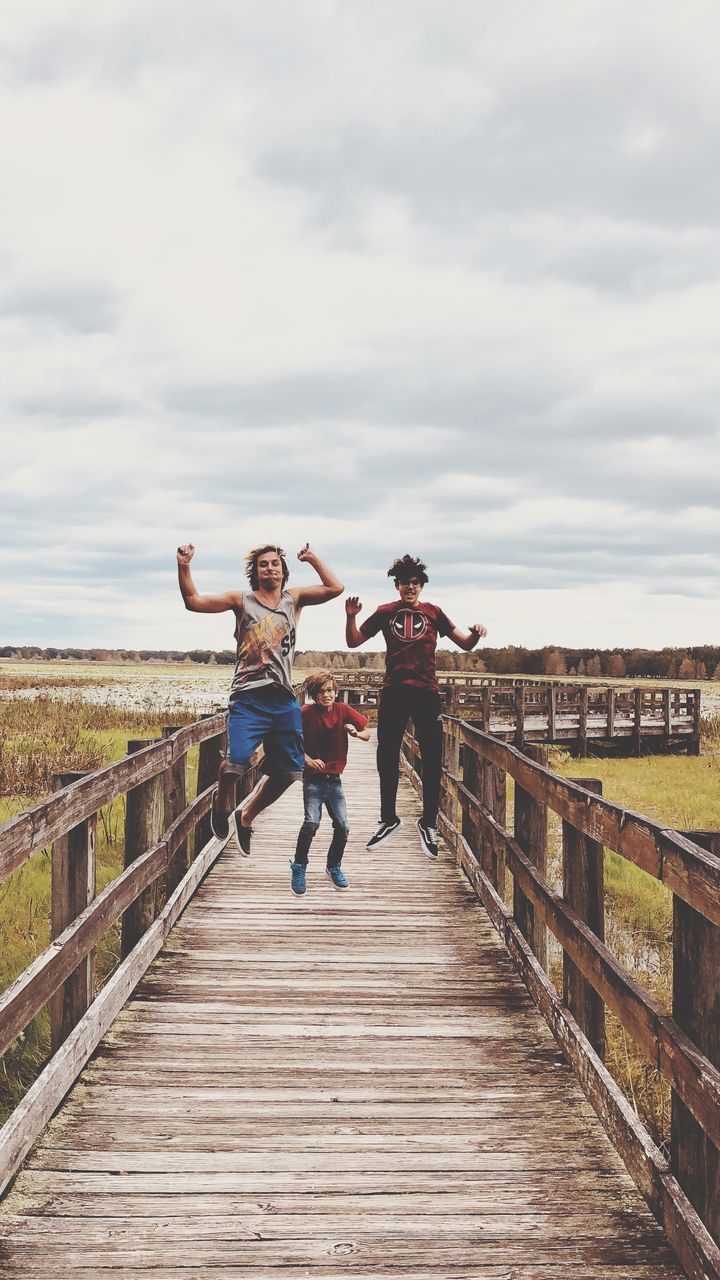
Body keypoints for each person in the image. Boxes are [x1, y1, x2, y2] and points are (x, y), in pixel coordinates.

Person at [177, 541, 343, 852]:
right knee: (235, 762)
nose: (270, 568)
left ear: (283, 570)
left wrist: (312, 558)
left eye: (275, 563)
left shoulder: (294, 601)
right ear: (255, 571)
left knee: (290, 771)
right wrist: (184, 565)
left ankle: (247, 814)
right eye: (264, 564)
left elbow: (335, 587)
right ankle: (223, 795)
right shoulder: (241, 601)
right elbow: (193, 601)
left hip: (282, 699)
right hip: (248, 697)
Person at [345, 554, 487, 860]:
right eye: (404, 583)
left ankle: (429, 822)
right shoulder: (385, 612)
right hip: (395, 690)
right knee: (386, 753)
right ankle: (388, 818)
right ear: (397, 586)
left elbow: (464, 643)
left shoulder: (434, 612)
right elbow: (354, 642)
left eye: (415, 583)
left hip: (426, 692)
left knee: (433, 757)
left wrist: (475, 632)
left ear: (421, 586)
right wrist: (350, 616)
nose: (410, 587)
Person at [290, 670, 370, 897]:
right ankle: (299, 866)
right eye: (321, 691)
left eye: (330, 690)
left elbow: (367, 734)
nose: (326, 695)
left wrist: (356, 733)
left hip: (335, 781)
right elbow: (290, 740)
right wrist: (307, 759)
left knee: (343, 825)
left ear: (336, 692)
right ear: (313, 695)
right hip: (312, 780)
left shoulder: (343, 710)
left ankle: (333, 866)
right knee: (311, 823)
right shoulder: (304, 713)